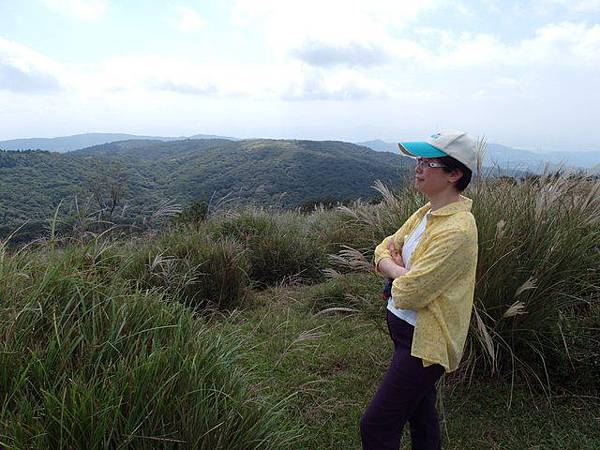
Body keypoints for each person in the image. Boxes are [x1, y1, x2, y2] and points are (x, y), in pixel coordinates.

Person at [360, 131, 479, 450]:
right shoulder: (426, 213)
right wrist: (400, 270)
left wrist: (394, 271)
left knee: (376, 425)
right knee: (421, 415)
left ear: (455, 174)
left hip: (424, 344)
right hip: (406, 334)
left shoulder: (457, 231)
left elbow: (410, 294)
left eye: (429, 162)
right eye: (419, 160)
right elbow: (382, 249)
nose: (419, 167)